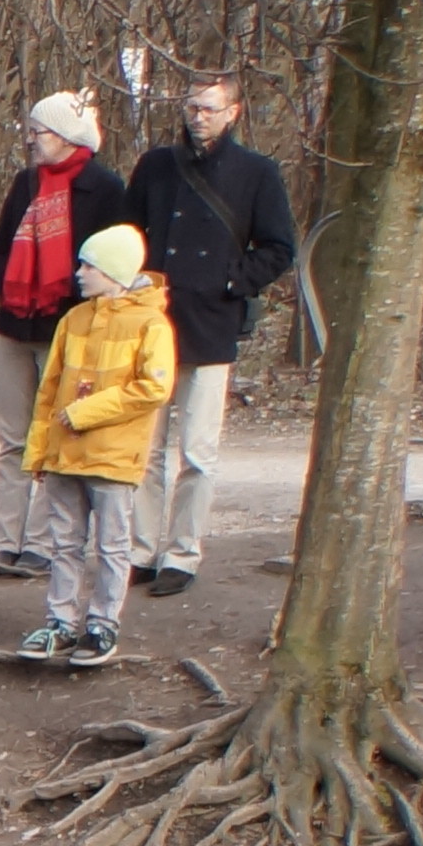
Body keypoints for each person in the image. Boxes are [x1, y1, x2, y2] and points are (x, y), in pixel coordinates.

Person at [125, 70, 299, 597]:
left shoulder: (256, 173)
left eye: (208, 108)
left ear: (233, 112)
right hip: (151, 321)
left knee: (198, 453)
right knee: (143, 449)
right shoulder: (156, 167)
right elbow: (126, 235)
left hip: (211, 322)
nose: (197, 116)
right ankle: (139, 551)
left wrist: (229, 281)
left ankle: (182, 553)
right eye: (192, 106)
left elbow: (278, 247)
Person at [0, 92, 138, 577]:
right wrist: (7, 285)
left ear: (67, 135)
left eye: (39, 131)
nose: (31, 140)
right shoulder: (25, 184)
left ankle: (43, 547)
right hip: (13, 323)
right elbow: (0, 246)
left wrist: (68, 294)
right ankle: (6, 543)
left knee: (54, 435)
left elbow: (114, 261)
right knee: (12, 440)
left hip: (67, 327)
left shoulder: (105, 189)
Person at [20, 224, 177, 671]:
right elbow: (49, 390)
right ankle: (60, 621)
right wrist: (40, 453)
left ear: (114, 272)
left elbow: (153, 388)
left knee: (112, 546)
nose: (80, 272)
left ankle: (103, 623)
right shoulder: (74, 320)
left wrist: (86, 413)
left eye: (89, 265)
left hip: (112, 458)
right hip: (66, 456)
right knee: (64, 543)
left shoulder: (151, 323)